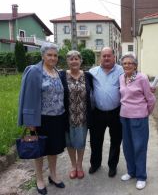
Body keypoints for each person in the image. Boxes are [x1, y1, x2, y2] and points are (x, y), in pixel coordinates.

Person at [18, 43, 66, 195]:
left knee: (54, 149)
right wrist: (30, 122)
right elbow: (28, 96)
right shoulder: (34, 71)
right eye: (49, 55)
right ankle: (39, 179)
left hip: (57, 117)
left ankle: (53, 175)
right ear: (43, 56)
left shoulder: (57, 72)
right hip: (40, 119)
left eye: (55, 55)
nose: (53, 58)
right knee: (39, 150)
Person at [119, 53, 156, 190]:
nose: (127, 65)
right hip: (124, 116)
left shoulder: (142, 78)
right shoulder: (121, 78)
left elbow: (150, 98)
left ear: (135, 65)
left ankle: (141, 176)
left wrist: (146, 113)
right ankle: (131, 171)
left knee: (139, 146)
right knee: (127, 146)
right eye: (124, 63)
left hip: (139, 117)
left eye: (130, 63)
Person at [88, 47, 123, 177]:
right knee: (95, 140)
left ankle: (112, 166)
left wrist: (149, 88)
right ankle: (95, 164)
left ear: (114, 57)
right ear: (100, 58)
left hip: (116, 112)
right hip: (97, 113)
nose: (106, 58)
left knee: (116, 141)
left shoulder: (122, 70)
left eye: (109, 56)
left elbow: (136, 80)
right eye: (104, 56)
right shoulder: (92, 72)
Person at [59, 50, 94, 179]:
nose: (74, 61)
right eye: (71, 59)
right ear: (67, 61)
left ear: (81, 61)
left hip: (83, 117)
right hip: (67, 116)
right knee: (70, 143)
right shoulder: (61, 75)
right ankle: (73, 165)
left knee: (81, 142)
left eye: (76, 59)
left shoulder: (88, 76)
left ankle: (79, 165)